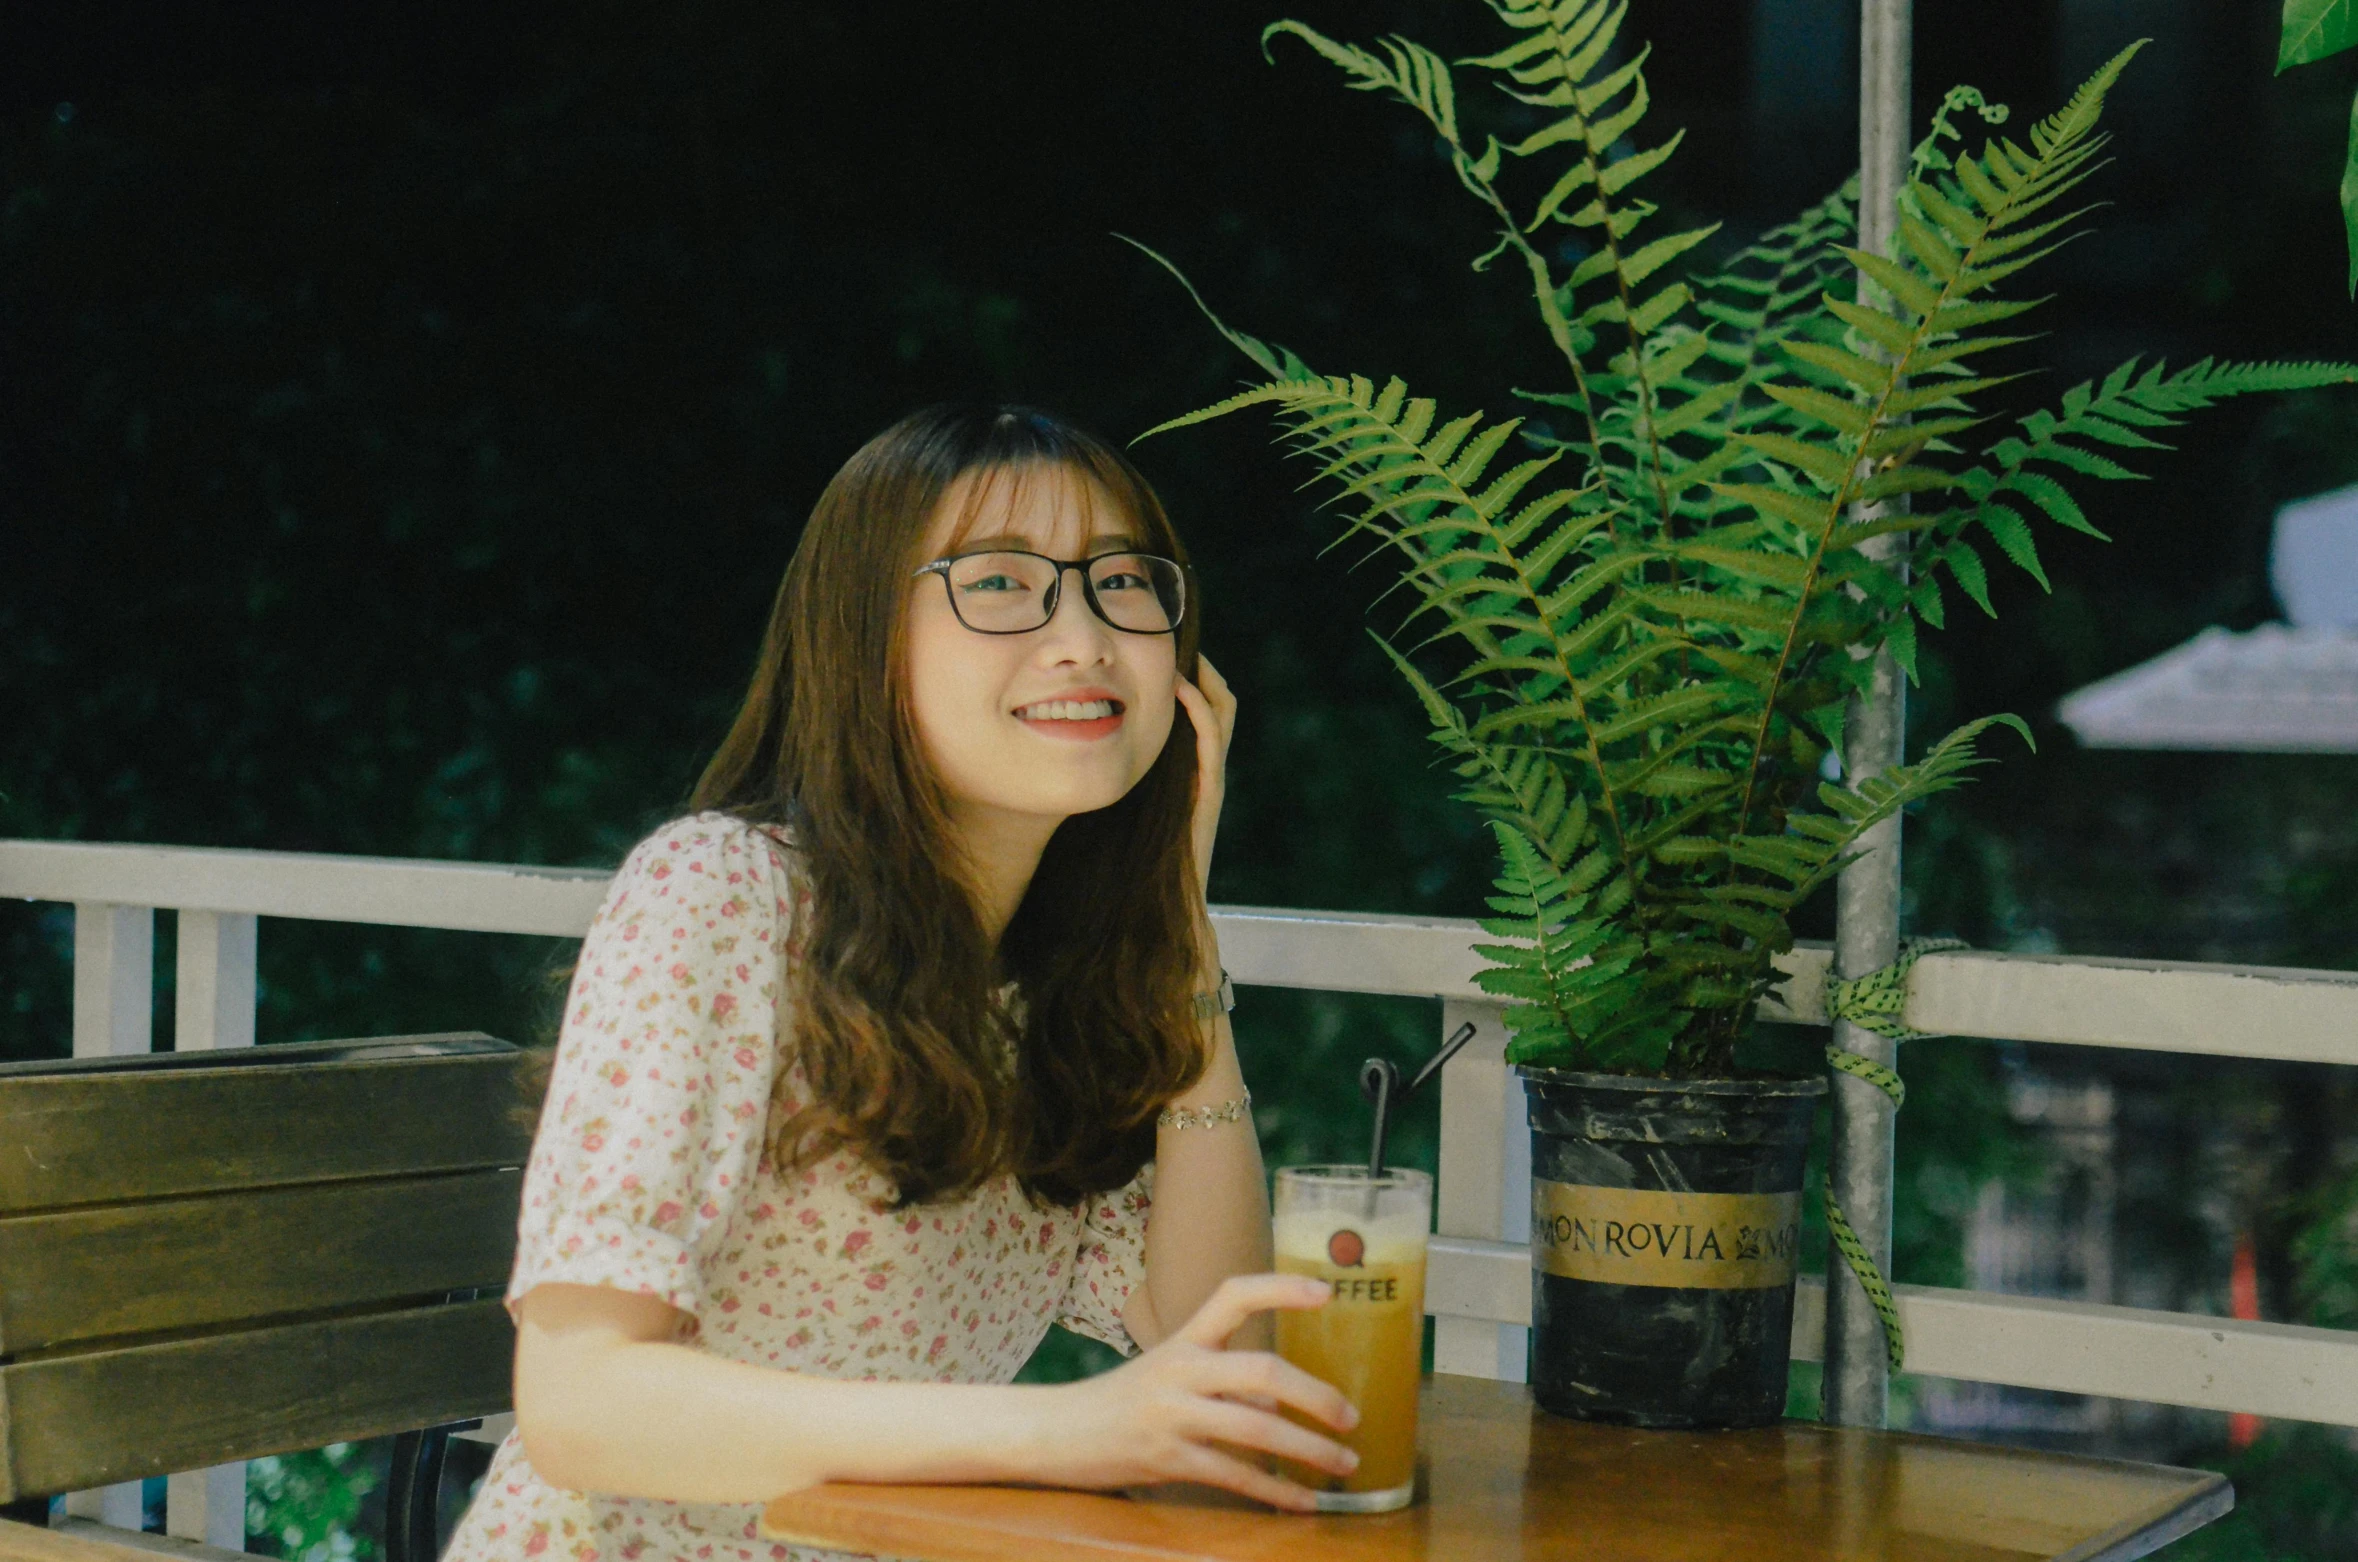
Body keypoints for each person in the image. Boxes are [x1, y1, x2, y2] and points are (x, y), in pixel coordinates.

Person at [442, 405, 1359, 1562]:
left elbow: (1210, 1348)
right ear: (868, 636)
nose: (1081, 635)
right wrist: (1055, 1430)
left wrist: (1183, 940)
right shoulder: (722, 896)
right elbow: (580, 1400)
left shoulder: (1058, 978)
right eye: (1001, 583)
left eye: (1122, 581)